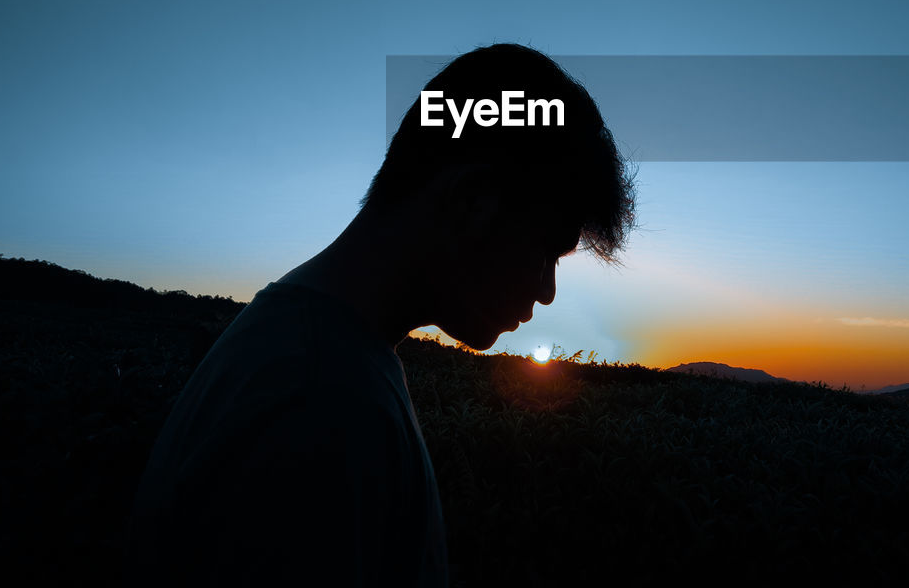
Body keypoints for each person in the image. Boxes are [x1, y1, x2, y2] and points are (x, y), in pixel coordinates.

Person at [124, 43, 635, 587]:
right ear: (471, 202)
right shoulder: (322, 405)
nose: (548, 292)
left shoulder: (310, 349)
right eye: (545, 253)